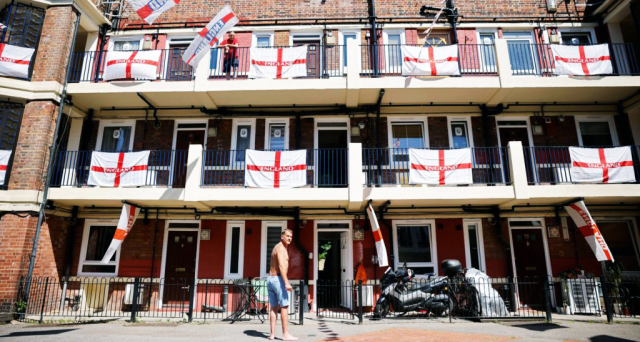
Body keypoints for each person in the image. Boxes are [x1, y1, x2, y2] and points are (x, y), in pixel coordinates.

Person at [267, 229, 298, 341]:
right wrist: (286, 283)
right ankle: (285, 335)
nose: (289, 238)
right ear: (282, 236)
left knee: (274, 307)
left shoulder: (278, 247)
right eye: (287, 236)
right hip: (278, 279)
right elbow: (281, 266)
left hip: (271, 278)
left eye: (291, 236)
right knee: (284, 306)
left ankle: (272, 335)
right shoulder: (280, 248)